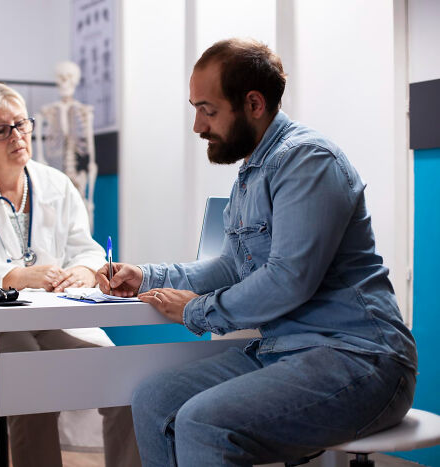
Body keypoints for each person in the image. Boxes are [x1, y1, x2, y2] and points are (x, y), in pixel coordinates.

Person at [96, 38, 417, 467]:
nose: (198, 126)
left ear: (253, 104)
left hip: (359, 357)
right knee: (155, 400)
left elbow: (288, 280)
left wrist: (196, 310)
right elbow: (232, 266)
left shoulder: (308, 161)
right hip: (284, 352)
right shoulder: (253, 171)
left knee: (204, 422)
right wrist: (148, 276)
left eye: (208, 110)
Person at [0, 82, 139, 467]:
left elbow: (86, 246)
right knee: (29, 377)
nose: (17, 136)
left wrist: (84, 270)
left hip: (56, 314)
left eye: (21, 124)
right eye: (1, 130)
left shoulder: (55, 184)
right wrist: (14, 276)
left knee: (119, 378)